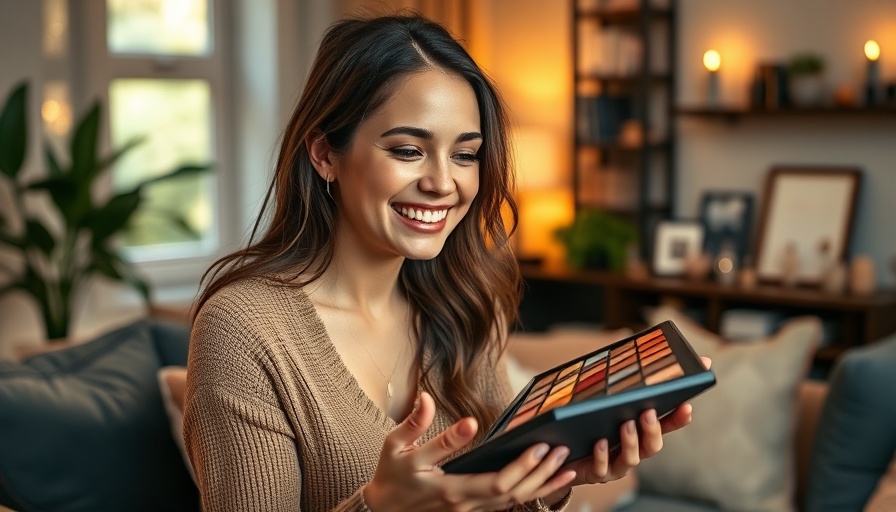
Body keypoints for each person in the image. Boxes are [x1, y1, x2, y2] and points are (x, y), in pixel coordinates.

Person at [184, 13, 701, 512]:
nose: (443, 183)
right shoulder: (245, 332)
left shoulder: (468, 304)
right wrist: (381, 508)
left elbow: (489, 498)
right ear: (324, 153)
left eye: (465, 154)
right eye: (409, 150)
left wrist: (549, 481)